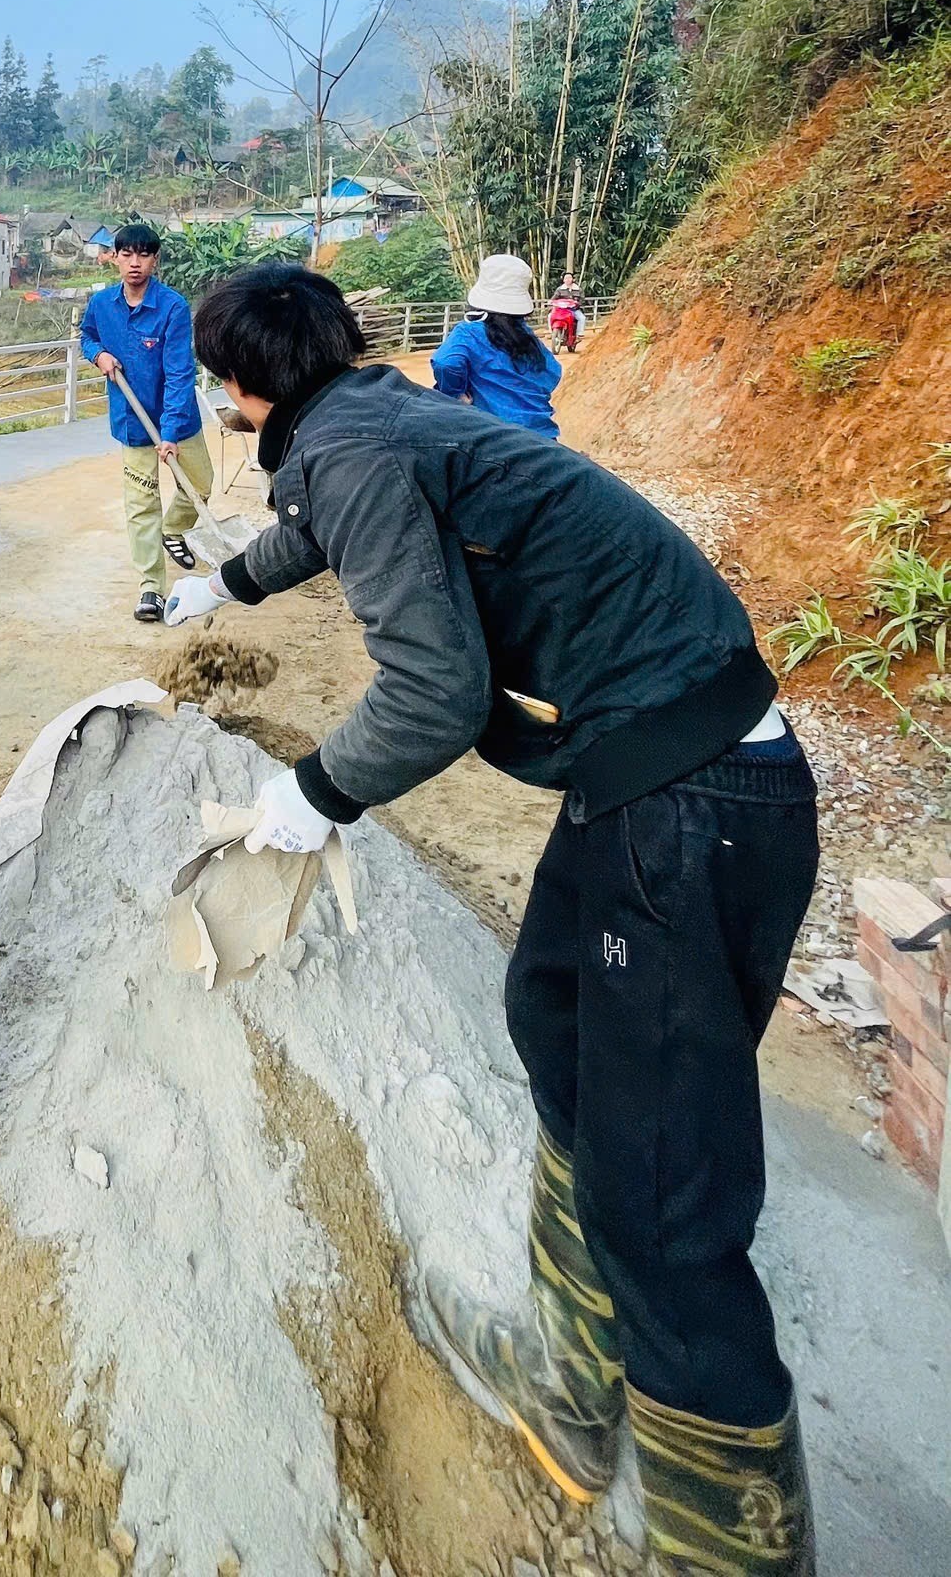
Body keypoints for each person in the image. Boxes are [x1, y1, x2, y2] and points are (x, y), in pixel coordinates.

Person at [164, 262, 818, 1576]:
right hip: (650, 772)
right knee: (555, 1021)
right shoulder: (370, 423)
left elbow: (435, 690)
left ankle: (736, 1551)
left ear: (235, 389)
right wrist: (225, 584)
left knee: (664, 1218)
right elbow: (336, 530)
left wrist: (311, 797)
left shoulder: (349, 452)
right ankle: (575, 1394)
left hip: (693, 804)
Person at [78, 220, 214, 623]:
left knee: (200, 485)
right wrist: (97, 355)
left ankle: (174, 530)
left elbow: (178, 374)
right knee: (141, 504)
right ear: (114, 258)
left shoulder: (172, 307)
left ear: (155, 260)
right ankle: (151, 588)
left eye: (143, 255)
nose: (134, 263)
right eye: (127, 254)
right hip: (133, 424)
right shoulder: (101, 305)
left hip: (178, 420)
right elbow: (87, 336)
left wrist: (170, 433)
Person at [431, 252, 562, 435]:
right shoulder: (525, 334)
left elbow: (445, 363)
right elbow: (553, 373)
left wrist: (456, 394)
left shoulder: (469, 332)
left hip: (493, 439)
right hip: (542, 437)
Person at [549, 275, 582, 354]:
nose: (568, 280)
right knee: (549, 316)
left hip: (573, 309)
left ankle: (579, 335)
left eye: (569, 278)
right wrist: (550, 302)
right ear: (563, 280)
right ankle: (552, 332)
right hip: (561, 310)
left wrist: (577, 304)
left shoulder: (578, 289)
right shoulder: (560, 289)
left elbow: (582, 299)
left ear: (573, 279)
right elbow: (554, 298)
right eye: (566, 278)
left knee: (581, 318)